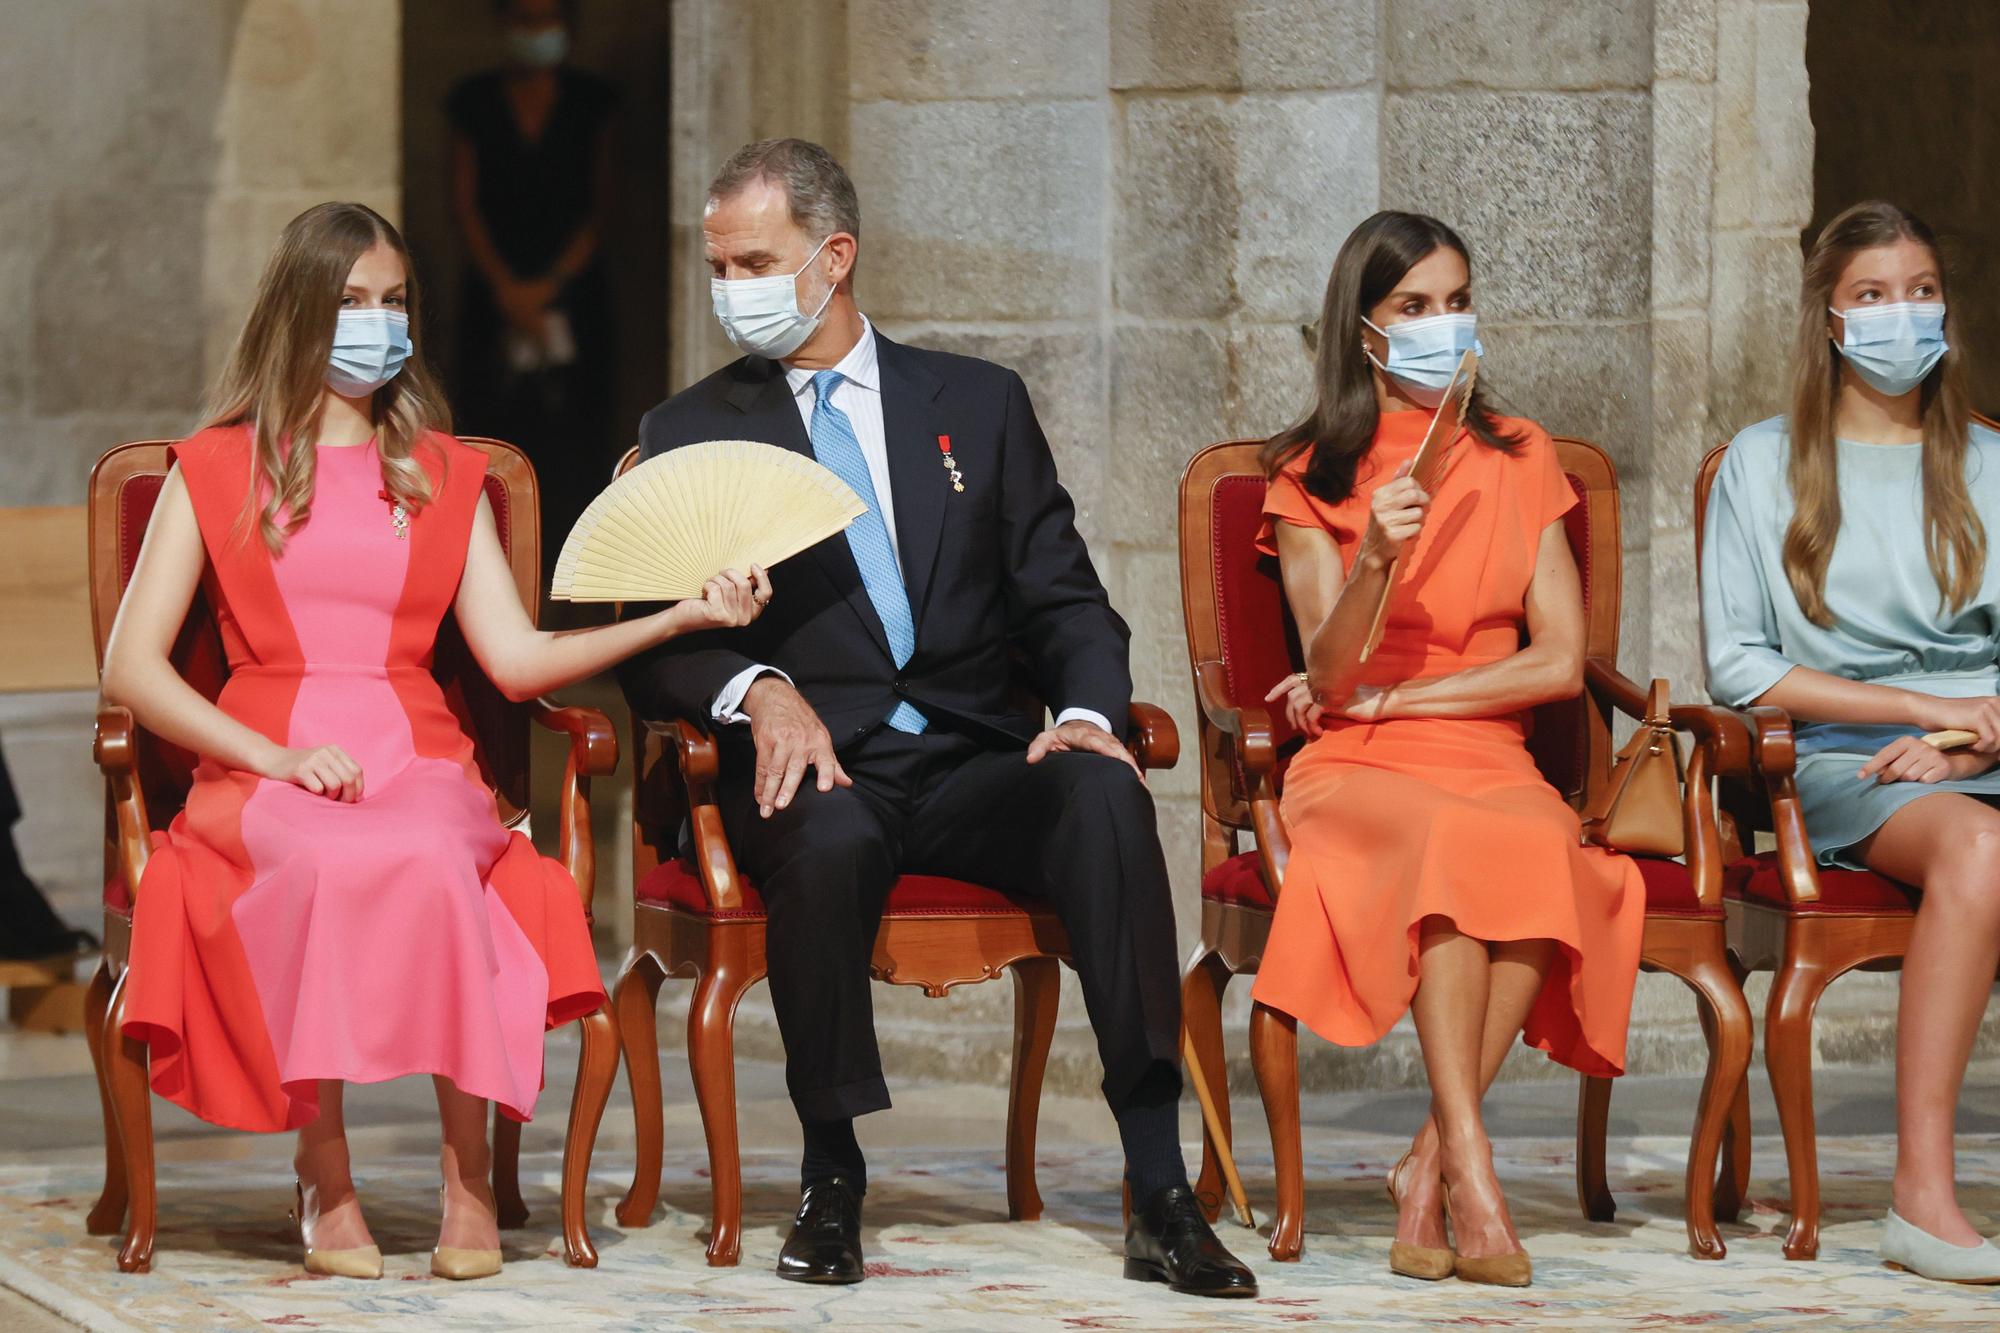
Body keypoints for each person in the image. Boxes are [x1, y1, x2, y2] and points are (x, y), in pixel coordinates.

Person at [617, 138, 1256, 1298]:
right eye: (718, 265)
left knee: (1106, 793)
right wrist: (757, 691)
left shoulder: (978, 403)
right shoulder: (687, 430)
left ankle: (1159, 1184)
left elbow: (1064, 599)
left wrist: (1081, 712)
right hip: (812, 772)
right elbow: (658, 647)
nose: (731, 289)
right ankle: (830, 1175)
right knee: (830, 832)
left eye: (754, 260)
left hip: (973, 756)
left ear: (834, 256)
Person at [101, 202, 767, 1281]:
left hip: (416, 753)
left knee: (438, 858)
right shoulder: (216, 467)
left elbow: (510, 658)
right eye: (353, 303)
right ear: (300, 317)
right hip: (265, 756)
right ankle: (325, 1175)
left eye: (395, 301)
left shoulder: (448, 474)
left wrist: (678, 614)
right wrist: (270, 758)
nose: (378, 324)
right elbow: (130, 668)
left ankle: (468, 1177)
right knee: (317, 860)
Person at [1253, 211, 1645, 1288]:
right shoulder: (1307, 476)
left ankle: (1426, 1162)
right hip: (1356, 768)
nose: (1442, 324)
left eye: (1456, 300)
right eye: (1412, 308)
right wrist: (1373, 554)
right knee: (1447, 847)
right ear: (1365, 331)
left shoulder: (1520, 458)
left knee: (1540, 847)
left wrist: (1404, 696)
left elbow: (1557, 661)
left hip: (1479, 749)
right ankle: (1470, 1164)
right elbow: (1326, 679)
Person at [1702, 200, 2000, 1284]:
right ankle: (1920, 1197)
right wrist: (1926, 717)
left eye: (1919, 290)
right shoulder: (1762, 462)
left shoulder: (1987, 460)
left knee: (1973, 822)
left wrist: (1974, 738)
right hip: (1841, 762)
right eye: (1870, 296)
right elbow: (1737, 665)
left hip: (1979, 748)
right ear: (1828, 321)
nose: (1899, 315)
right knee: (1974, 848)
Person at [447, 0, 619, 584]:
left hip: (573, 295)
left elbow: (605, 205)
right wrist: (506, 288)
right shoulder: (474, 100)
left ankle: (574, 587)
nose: (535, 33)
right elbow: (462, 201)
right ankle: (488, 576)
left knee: (575, 437)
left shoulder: (592, 102)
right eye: (524, 18)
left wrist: (550, 287)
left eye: (546, 20)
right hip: (493, 293)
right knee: (489, 427)